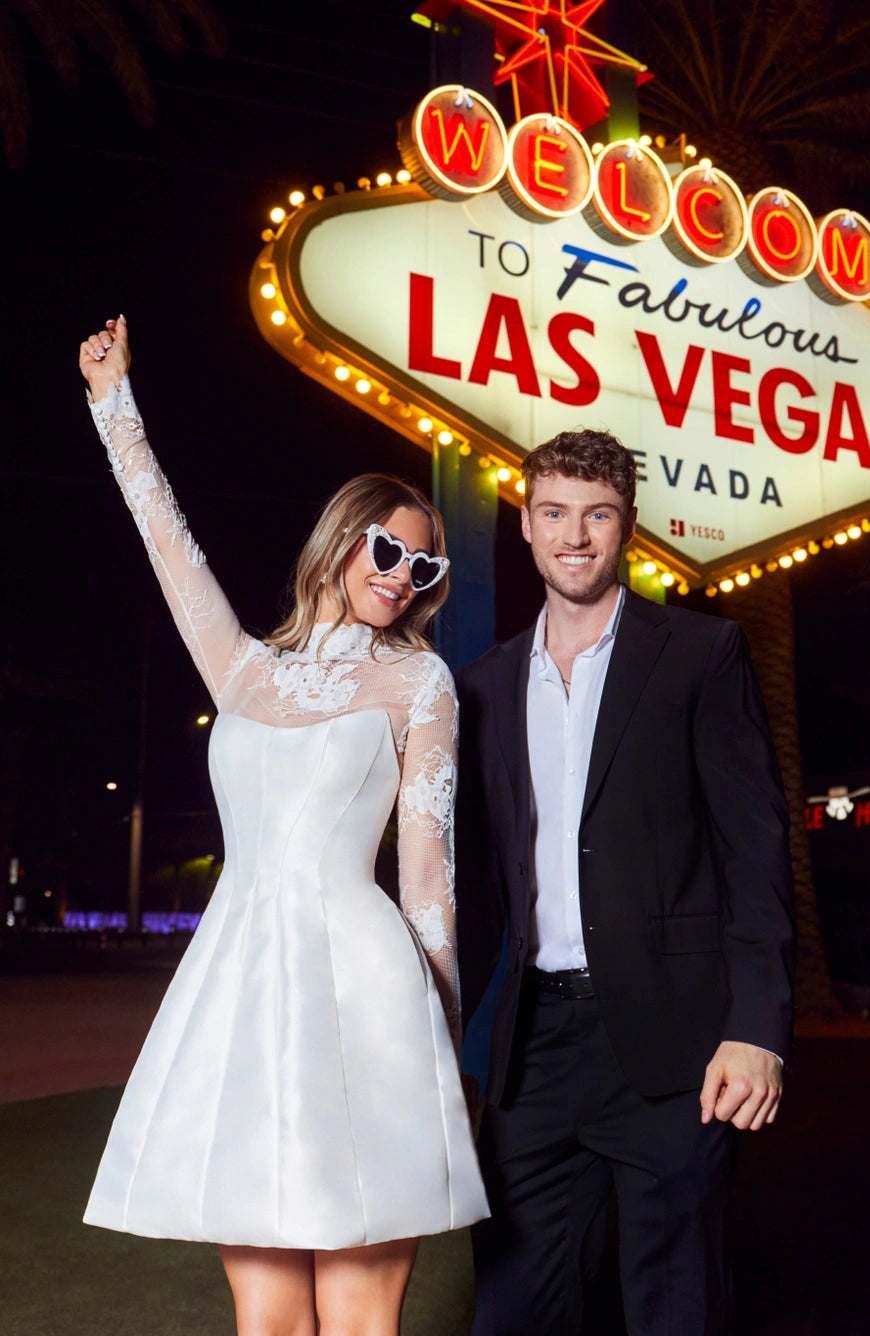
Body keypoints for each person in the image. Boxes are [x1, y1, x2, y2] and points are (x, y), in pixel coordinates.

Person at [78, 316, 488, 1336]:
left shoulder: (421, 682)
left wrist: (440, 1023)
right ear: (342, 539)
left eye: (423, 568)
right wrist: (113, 404)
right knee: (263, 1314)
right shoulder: (245, 667)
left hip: (365, 990)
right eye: (388, 548)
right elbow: (169, 547)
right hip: (242, 987)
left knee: (358, 1315)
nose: (401, 573)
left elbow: (428, 865)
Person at [456, 428, 795, 1336]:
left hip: (677, 1046)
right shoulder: (481, 686)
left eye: (597, 515)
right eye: (555, 514)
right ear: (525, 525)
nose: (576, 535)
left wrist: (756, 1028)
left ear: (627, 529)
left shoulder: (699, 654)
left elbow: (752, 852)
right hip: (532, 1051)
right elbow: (479, 887)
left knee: (672, 1308)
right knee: (512, 1309)